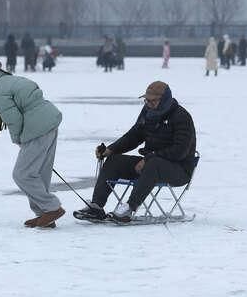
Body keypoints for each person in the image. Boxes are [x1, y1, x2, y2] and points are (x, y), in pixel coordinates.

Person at [74, 81, 197, 223]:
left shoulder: (181, 117)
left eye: (153, 101)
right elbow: (134, 135)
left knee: (154, 163)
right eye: (146, 100)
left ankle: (129, 209)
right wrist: (111, 149)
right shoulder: (148, 112)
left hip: (179, 171)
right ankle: (96, 207)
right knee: (114, 160)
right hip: (150, 165)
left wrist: (150, 158)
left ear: (165, 100)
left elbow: (179, 151)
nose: (148, 104)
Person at [0, 57, 64, 228]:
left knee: (22, 174)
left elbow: (13, 119)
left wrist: (19, 139)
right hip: (49, 120)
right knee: (40, 173)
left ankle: (51, 208)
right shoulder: (6, 80)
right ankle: (45, 214)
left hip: (37, 127)